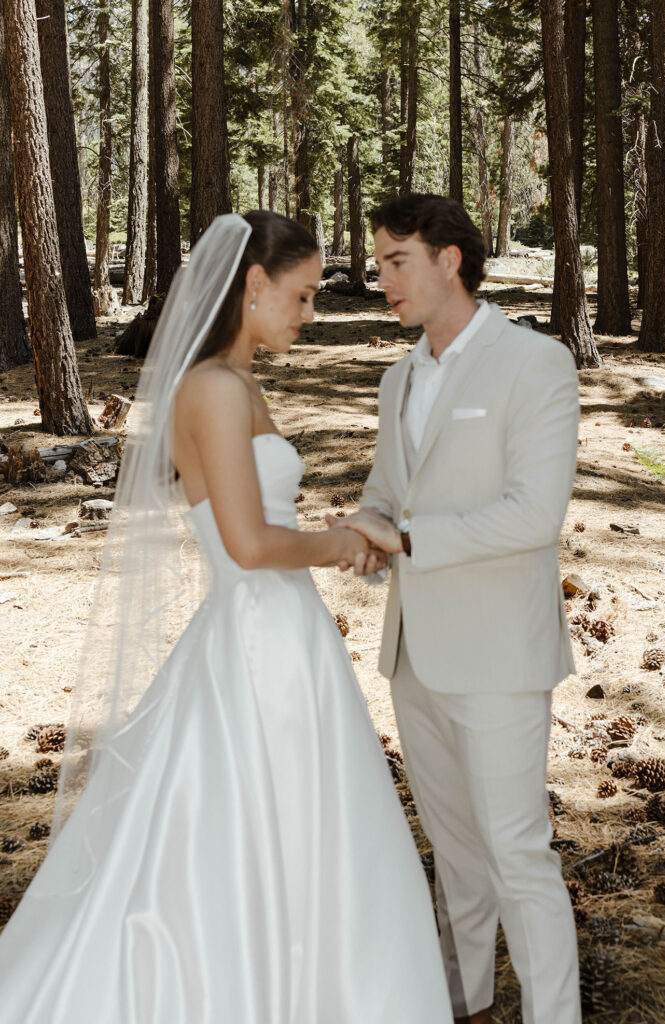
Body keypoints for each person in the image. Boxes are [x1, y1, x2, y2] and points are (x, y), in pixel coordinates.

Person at [0, 212, 452, 1023]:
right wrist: (346, 540)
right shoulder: (210, 387)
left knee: (303, 827)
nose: (311, 315)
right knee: (251, 821)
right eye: (303, 295)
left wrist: (339, 539)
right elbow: (246, 544)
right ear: (253, 284)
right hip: (255, 635)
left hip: (286, 630)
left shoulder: (240, 382)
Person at [328, 194, 582, 1024]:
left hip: (500, 653)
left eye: (396, 260)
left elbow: (531, 514)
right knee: (458, 855)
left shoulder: (533, 362)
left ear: (450, 261)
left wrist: (401, 535)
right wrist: (364, 529)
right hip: (413, 652)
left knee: (517, 852)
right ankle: (464, 1003)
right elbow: (387, 491)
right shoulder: (399, 376)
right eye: (378, 261)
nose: (381, 278)